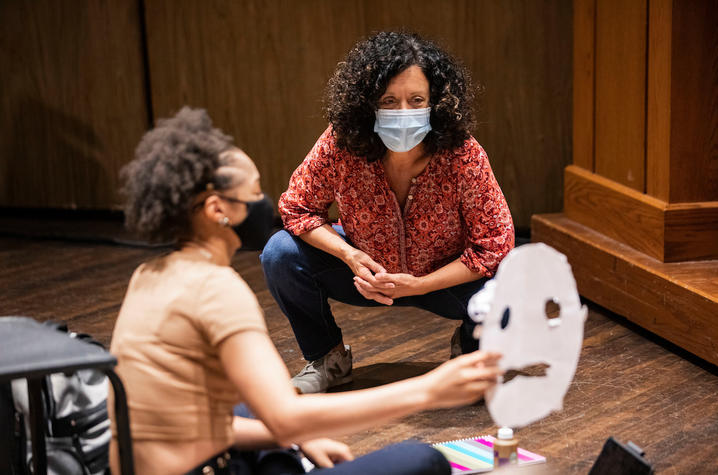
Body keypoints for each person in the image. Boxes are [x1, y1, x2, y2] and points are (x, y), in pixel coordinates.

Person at [109, 107, 502, 475]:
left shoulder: (148, 274)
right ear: (217, 211)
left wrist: (295, 437)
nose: (264, 203)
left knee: (248, 406)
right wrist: (427, 390)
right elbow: (285, 417)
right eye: (255, 191)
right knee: (422, 459)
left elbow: (191, 423)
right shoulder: (217, 289)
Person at [261, 31, 514, 394]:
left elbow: (494, 244)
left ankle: (470, 352)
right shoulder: (340, 143)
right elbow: (298, 207)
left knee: (509, 282)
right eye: (389, 101)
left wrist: (421, 284)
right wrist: (349, 255)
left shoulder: (464, 155)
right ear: (368, 104)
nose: (404, 113)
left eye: (416, 100)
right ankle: (327, 358)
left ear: (436, 103)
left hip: (445, 280)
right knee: (280, 253)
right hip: (365, 274)